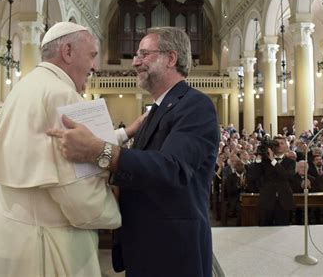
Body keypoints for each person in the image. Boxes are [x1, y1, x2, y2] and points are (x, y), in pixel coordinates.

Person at [0, 22, 142, 276]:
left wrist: (122, 133)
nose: (94, 67)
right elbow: (79, 196)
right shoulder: (63, 95)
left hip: (4, 234)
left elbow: (40, 151)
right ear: (68, 51)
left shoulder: (26, 86)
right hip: (41, 246)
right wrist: (119, 213)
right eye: (92, 55)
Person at [49, 26, 220, 277]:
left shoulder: (195, 105)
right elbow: (140, 173)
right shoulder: (154, 112)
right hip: (146, 245)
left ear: (171, 59)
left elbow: (172, 167)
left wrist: (101, 151)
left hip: (174, 251)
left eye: (143, 54)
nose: (135, 62)